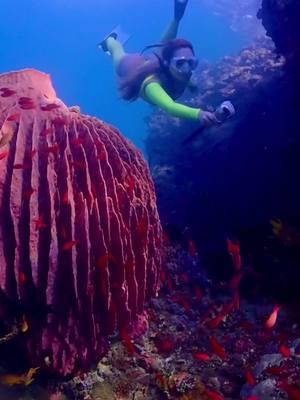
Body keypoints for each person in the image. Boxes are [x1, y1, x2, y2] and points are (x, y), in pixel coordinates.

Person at [99, 0, 220, 127]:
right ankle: (109, 40)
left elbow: (178, 67)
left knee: (163, 48)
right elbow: (170, 107)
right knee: (117, 52)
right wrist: (198, 114)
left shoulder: (176, 69)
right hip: (129, 65)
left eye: (191, 63)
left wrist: (190, 84)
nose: (187, 69)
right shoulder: (152, 86)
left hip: (154, 62)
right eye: (180, 64)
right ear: (167, 64)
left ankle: (176, 18)